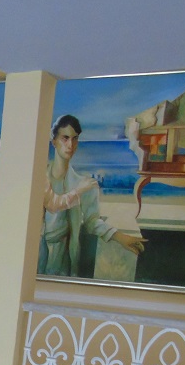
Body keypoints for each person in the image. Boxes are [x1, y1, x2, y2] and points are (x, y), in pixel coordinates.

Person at [39, 114, 146, 276]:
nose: (70, 145)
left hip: (64, 256)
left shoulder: (84, 184)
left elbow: (92, 221)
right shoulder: (39, 178)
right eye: (65, 138)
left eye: (75, 139)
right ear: (54, 141)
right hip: (37, 252)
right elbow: (52, 205)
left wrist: (119, 237)